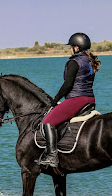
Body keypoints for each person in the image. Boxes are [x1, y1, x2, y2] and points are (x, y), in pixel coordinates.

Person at [38, 32, 101, 168]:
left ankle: (52, 156)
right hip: (90, 99)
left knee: (48, 121)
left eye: (71, 46)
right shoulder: (89, 61)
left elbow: (68, 85)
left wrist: (54, 100)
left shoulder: (74, 62)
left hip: (76, 99)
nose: (69, 49)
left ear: (77, 48)